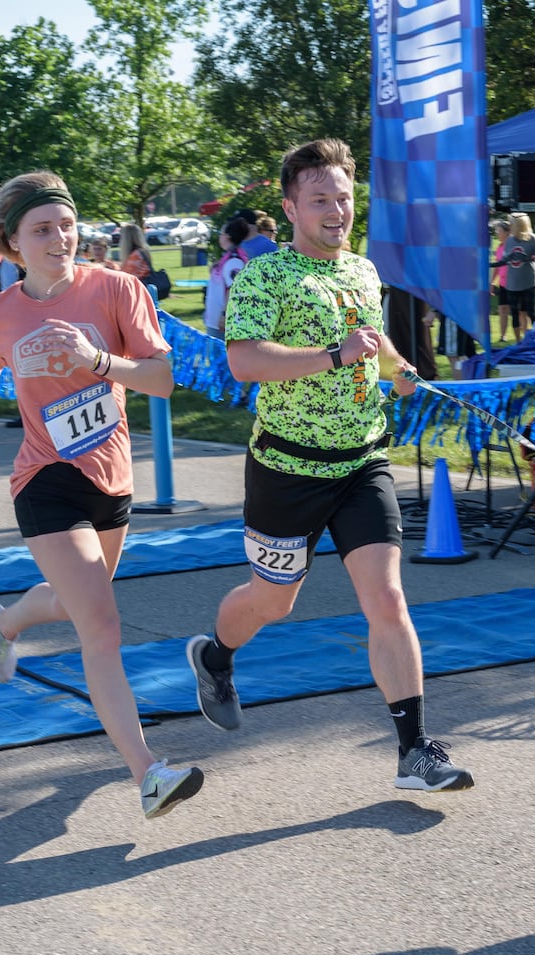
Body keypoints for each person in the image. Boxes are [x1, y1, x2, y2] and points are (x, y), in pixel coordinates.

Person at [186, 137, 474, 794]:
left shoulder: (364, 271)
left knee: (388, 599)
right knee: (272, 602)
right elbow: (246, 361)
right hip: (287, 470)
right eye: (320, 199)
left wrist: (402, 373)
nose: (335, 210)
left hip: (361, 463)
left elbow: (375, 342)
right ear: (290, 207)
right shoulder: (264, 276)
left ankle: (414, 751)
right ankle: (215, 654)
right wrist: (336, 356)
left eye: (343, 198)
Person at [0, 170, 202, 820]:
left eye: (66, 224)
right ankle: (149, 773)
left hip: (111, 481)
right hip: (44, 480)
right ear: (12, 244)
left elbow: (164, 381)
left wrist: (99, 362)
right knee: (100, 623)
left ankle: (3, 624)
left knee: (73, 600)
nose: (60, 238)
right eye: (42, 229)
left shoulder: (116, 290)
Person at [494, 212, 535, 341]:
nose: (510, 226)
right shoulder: (510, 241)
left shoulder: (532, 239)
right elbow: (505, 258)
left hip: (529, 282)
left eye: (512, 224)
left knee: (531, 312)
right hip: (512, 283)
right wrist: (491, 265)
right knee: (515, 313)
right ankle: (519, 341)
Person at [203, 217, 250, 338]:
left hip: (224, 323)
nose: (220, 237)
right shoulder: (228, 258)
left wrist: (225, 314)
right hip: (215, 320)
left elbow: (234, 290)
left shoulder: (234, 261)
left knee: (222, 356)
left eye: (221, 233)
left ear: (227, 236)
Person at [491, 219, 511, 342]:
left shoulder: (513, 246)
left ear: (507, 232)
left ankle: (524, 334)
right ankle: (503, 336)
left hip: (515, 283)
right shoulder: (499, 247)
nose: (497, 233)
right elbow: (497, 266)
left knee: (518, 311)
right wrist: (492, 282)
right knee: (502, 309)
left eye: (499, 231)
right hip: (503, 284)